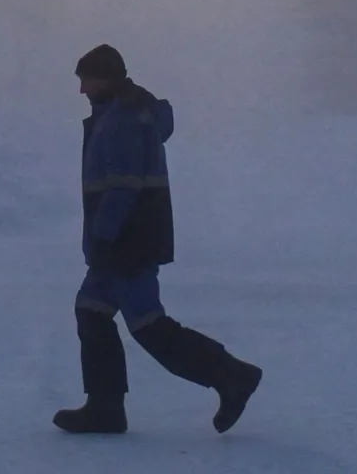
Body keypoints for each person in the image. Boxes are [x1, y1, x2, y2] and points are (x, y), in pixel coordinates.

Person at [53, 42, 260, 436]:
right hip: (119, 242)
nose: (81, 90)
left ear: (105, 79)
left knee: (148, 325)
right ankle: (104, 407)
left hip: (127, 242)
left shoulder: (123, 120)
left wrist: (104, 235)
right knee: (91, 312)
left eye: (86, 80)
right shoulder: (120, 114)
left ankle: (233, 376)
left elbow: (123, 186)